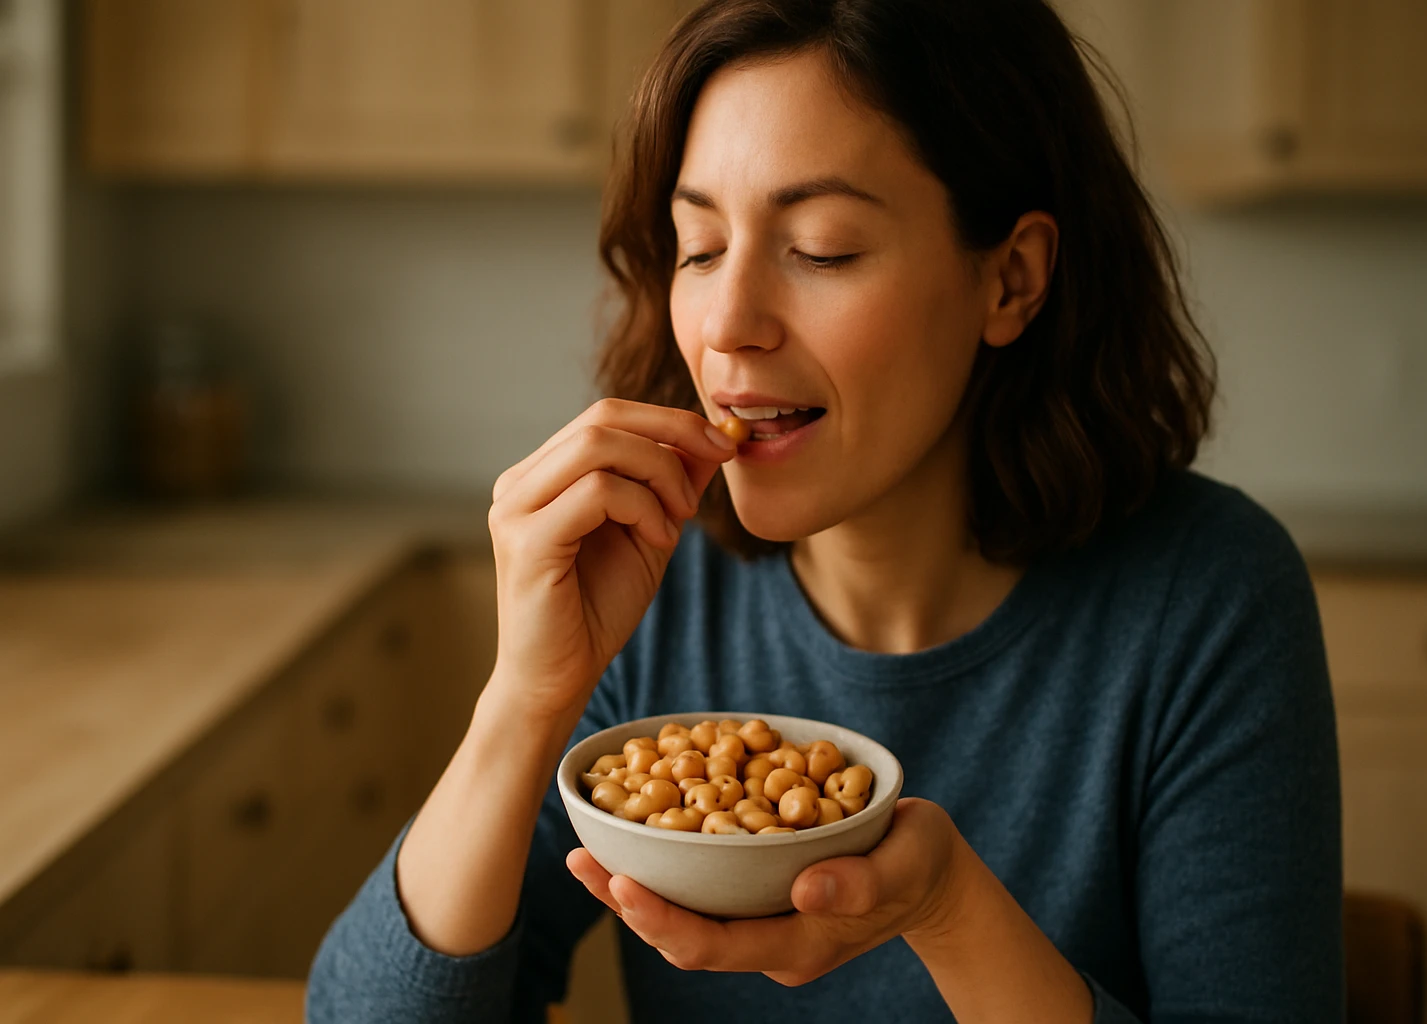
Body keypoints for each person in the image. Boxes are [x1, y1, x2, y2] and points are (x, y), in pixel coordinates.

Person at [306, 1, 1343, 1021]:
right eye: (699, 247)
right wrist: (522, 704)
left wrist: (947, 910)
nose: (726, 325)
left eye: (824, 247)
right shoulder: (643, 576)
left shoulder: (1207, 596)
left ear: (1012, 280)